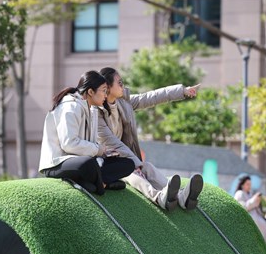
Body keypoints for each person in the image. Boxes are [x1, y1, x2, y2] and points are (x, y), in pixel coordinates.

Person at [97, 67, 203, 211]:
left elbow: (151, 97)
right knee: (132, 173)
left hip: (125, 158)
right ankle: (159, 198)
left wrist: (183, 91)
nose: (123, 85)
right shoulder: (96, 112)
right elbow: (113, 143)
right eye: (119, 83)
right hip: (106, 163)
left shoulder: (123, 102)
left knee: (148, 167)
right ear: (107, 87)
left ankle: (181, 197)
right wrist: (135, 163)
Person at [39, 70, 134, 195]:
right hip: (58, 164)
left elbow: (90, 147)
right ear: (90, 92)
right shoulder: (70, 107)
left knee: (127, 163)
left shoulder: (92, 110)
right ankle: (102, 184)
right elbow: (69, 144)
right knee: (88, 164)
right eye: (104, 90)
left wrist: (104, 154)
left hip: (82, 161)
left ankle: (94, 183)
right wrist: (98, 149)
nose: (106, 95)